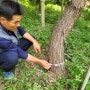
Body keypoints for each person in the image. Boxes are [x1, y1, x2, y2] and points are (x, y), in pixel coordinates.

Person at [0, 0, 52, 79]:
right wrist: (40, 62)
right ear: (3, 20)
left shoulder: (10, 23)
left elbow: (22, 31)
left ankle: (17, 57)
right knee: (13, 56)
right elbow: (18, 51)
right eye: (16, 22)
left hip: (12, 46)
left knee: (31, 38)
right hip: (2, 52)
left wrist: (34, 41)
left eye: (19, 21)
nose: (18, 25)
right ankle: (6, 70)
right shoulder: (1, 38)